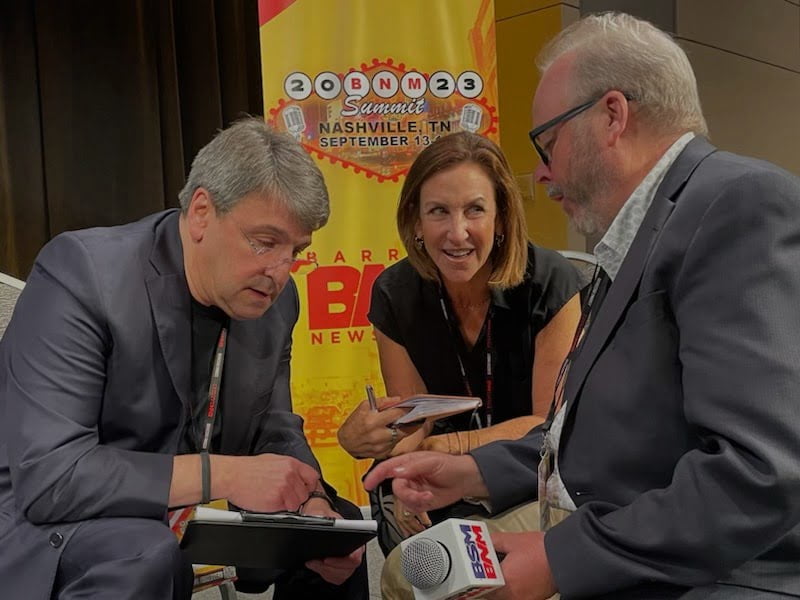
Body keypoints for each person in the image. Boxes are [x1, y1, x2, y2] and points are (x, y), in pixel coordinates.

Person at [365, 12, 800, 600]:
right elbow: (612, 434)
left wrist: (560, 559)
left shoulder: (736, 205)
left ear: (612, 116)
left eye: (546, 144)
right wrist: (475, 471)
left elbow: (760, 470)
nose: (541, 175)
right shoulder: (641, 240)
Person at [0, 117, 367, 600]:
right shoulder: (84, 273)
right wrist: (225, 474)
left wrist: (313, 500)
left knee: (335, 537)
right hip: (48, 521)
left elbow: (273, 426)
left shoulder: (276, 303)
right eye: (264, 242)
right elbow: (54, 477)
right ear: (200, 213)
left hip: (171, 518)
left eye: (295, 251)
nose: (279, 271)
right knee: (143, 552)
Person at [337, 131, 582, 554]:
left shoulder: (551, 282)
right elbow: (414, 419)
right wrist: (385, 450)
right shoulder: (395, 292)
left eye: (475, 210)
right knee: (417, 556)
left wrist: (449, 447)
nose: (457, 232)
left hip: (533, 474)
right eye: (438, 211)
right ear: (415, 220)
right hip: (439, 478)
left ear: (501, 217)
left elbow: (549, 425)